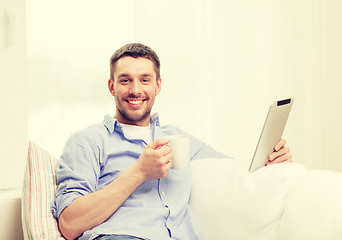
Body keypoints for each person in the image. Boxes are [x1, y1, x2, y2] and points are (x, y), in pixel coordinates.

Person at [52, 43, 292, 240]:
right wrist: (138, 172)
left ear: (158, 86)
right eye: (125, 80)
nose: (135, 90)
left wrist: (271, 162)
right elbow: (70, 224)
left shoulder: (178, 139)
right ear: (111, 86)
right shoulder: (87, 141)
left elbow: (238, 171)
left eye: (145, 80)